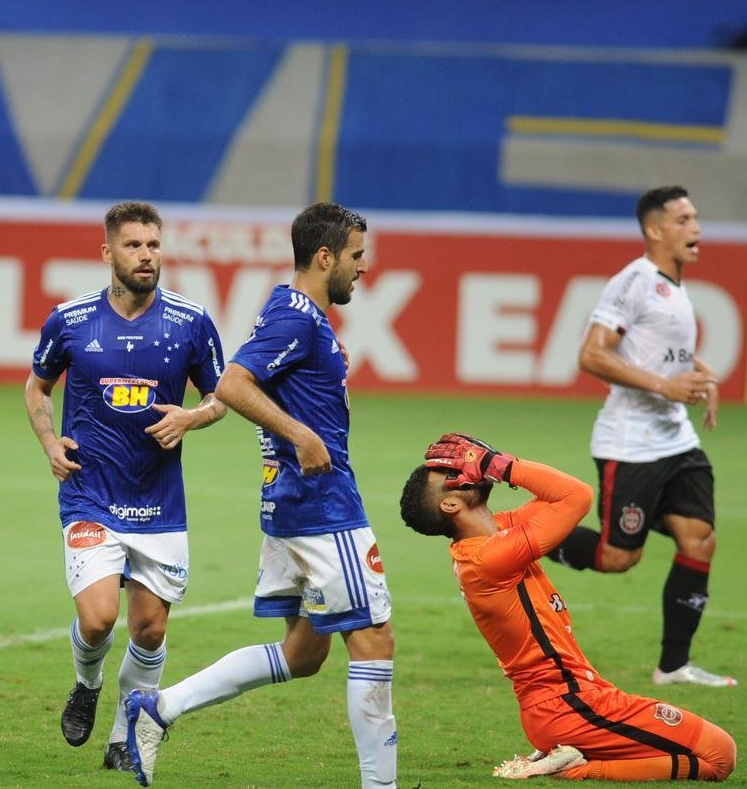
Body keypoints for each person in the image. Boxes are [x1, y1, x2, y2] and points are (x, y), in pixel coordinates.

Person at [124, 202, 396, 788]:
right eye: (356, 256)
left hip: (290, 507)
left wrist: (204, 417)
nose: (363, 268)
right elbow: (232, 382)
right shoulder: (298, 318)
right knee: (375, 641)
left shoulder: (290, 309)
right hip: (324, 508)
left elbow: (246, 381)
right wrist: (299, 432)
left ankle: (158, 708)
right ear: (325, 257)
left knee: (304, 655)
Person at [400, 432, 737, 781]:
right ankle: (577, 768)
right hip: (569, 704)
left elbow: (554, 497)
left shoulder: (495, 532)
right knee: (719, 755)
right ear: (451, 505)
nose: (463, 469)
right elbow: (577, 496)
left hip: (576, 698)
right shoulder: (489, 558)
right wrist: (498, 466)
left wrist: (493, 464)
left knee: (704, 750)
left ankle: (572, 757)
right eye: (450, 475)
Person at [23, 201, 227, 772]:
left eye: (154, 245)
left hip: (159, 503)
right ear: (107, 251)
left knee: (150, 627)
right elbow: (36, 389)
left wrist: (192, 417)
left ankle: (124, 734)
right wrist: (49, 443)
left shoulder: (190, 322)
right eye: (134, 245)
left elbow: (222, 397)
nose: (146, 255)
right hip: (90, 494)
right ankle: (87, 683)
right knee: (97, 618)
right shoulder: (70, 319)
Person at [545, 185, 736, 688]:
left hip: (676, 440)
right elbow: (592, 355)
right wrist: (667, 385)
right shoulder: (634, 281)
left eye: (695, 217)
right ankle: (516, 539)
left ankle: (673, 665)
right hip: (630, 443)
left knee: (700, 539)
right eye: (684, 219)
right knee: (617, 558)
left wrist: (697, 370)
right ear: (655, 230)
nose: (696, 227)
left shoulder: (675, 288)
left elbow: (656, 350)